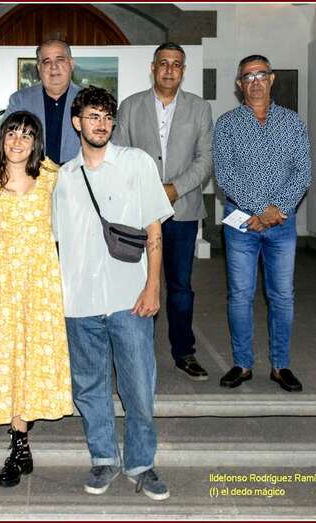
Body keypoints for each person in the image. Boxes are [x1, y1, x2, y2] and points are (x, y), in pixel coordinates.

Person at [54, 87, 174, 499]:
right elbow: (53, 242)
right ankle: (104, 459)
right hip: (79, 302)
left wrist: (152, 285)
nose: (101, 123)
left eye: (106, 116)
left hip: (130, 298)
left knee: (139, 385)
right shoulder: (63, 178)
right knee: (89, 386)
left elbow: (154, 228)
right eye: (92, 116)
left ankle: (142, 463)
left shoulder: (136, 163)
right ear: (77, 123)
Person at [0, 111, 74, 488]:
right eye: (12, 132)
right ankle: (19, 442)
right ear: (3, 137)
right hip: (3, 277)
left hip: (41, 277)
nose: (18, 140)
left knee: (33, 353)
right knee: (9, 352)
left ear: (36, 142)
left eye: (27, 135)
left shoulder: (51, 175)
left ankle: (21, 436)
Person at [112, 42, 214, 381]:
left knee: (180, 285)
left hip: (181, 210)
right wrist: (147, 192)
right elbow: (120, 155)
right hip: (138, 212)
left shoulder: (199, 109)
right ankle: (136, 352)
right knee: (138, 283)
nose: (170, 69)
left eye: (177, 64)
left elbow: (205, 159)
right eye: (164, 63)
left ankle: (184, 352)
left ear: (183, 71)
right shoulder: (130, 106)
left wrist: (173, 189)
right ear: (153, 67)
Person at [214, 54, 312, 392]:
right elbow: (225, 174)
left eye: (261, 75)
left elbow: (303, 171)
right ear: (239, 85)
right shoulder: (226, 124)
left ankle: (280, 365)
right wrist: (259, 211)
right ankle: (242, 364)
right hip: (241, 223)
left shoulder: (293, 122)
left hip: (282, 225)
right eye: (248, 76)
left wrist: (275, 211)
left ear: (271, 80)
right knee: (240, 295)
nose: (255, 81)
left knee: (282, 295)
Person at [5, 39, 81, 165]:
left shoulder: (88, 100)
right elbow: (4, 141)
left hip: (78, 179)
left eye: (60, 59)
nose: (54, 66)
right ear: (39, 68)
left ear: (71, 64)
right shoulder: (20, 100)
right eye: (47, 61)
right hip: (31, 179)